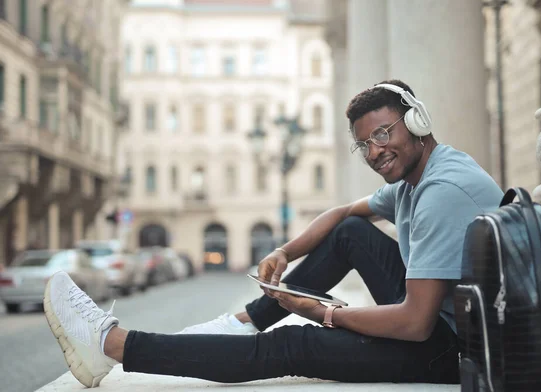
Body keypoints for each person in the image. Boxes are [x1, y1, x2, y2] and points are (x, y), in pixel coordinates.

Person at [43, 79, 503, 388]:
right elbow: (342, 213)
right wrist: (284, 252)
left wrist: (322, 314)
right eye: (365, 144)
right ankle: (242, 324)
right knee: (349, 232)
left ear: (418, 123)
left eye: (384, 133)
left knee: (291, 345)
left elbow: (414, 324)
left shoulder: (441, 191)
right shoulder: (417, 177)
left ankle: (113, 345)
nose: (375, 151)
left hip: (455, 349)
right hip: (451, 318)